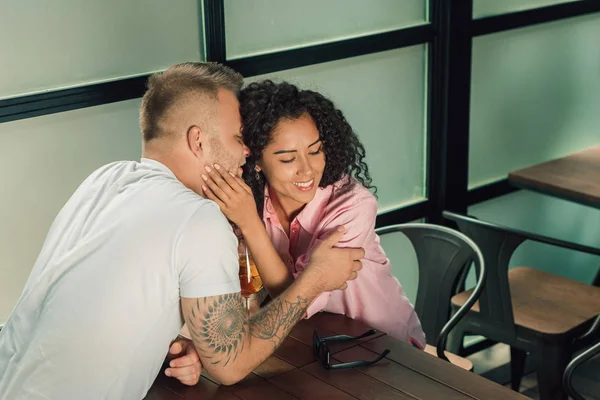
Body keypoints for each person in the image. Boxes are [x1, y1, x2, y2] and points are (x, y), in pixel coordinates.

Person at [0, 64, 364, 400]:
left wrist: (173, 343)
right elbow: (231, 366)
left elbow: (104, 300)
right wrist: (313, 280)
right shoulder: (198, 217)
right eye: (238, 137)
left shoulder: (104, 178)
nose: (247, 151)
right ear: (198, 142)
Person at [201, 80, 426, 348]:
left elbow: (295, 301)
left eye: (315, 151)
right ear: (256, 160)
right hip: (312, 342)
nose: (307, 170)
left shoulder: (354, 206)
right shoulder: (249, 198)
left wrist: (249, 223)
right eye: (288, 159)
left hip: (385, 347)